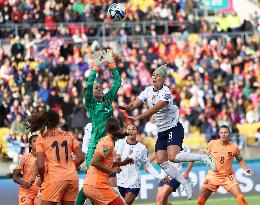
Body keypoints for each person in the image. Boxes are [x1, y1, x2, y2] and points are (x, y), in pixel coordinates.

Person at [118, 64, 216, 199]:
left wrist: (139, 116)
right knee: (161, 161)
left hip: (173, 127)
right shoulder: (147, 91)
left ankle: (203, 158)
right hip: (161, 131)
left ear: (163, 79)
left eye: (157, 75)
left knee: (172, 157)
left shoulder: (166, 92)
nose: (154, 77)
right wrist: (126, 107)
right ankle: (185, 182)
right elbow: (135, 104)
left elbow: (155, 109)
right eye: (153, 74)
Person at [76, 49, 122, 205]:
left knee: (98, 181)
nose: (100, 88)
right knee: (91, 177)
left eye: (100, 86)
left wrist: (111, 63)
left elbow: (117, 82)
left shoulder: (108, 99)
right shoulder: (91, 104)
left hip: (109, 144)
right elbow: (89, 84)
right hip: (96, 144)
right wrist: (96, 65)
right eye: (96, 88)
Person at [26, 110, 85, 205]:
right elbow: (81, 158)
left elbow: (40, 165)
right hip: (72, 178)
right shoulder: (68, 135)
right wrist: (69, 167)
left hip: (54, 179)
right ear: (58, 121)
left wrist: (42, 178)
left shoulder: (42, 138)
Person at [197, 125, 254, 205]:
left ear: (229, 134)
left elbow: (240, 159)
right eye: (221, 132)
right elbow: (206, 153)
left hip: (228, 176)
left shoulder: (234, 147)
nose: (223, 134)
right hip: (213, 175)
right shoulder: (212, 143)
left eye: (225, 132)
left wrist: (246, 169)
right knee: (200, 201)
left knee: (241, 198)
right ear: (219, 134)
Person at [83, 118, 134, 205]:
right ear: (116, 130)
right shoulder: (108, 144)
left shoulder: (106, 140)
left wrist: (122, 163)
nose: (121, 130)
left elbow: (104, 163)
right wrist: (111, 170)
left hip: (91, 184)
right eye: (120, 128)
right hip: (97, 185)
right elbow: (94, 162)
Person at [116, 124, 168, 205]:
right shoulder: (119, 143)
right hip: (119, 181)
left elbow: (147, 166)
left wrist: (160, 176)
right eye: (128, 129)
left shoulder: (142, 148)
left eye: (133, 129)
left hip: (134, 182)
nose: (131, 131)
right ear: (126, 132)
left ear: (137, 132)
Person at [13, 132, 41, 205]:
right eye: (34, 141)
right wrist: (24, 183)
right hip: (26, 191)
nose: (37, 143)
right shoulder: (24, 158)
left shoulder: (46, 158)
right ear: (30, 145)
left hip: (40, 191)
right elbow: (15, 177)